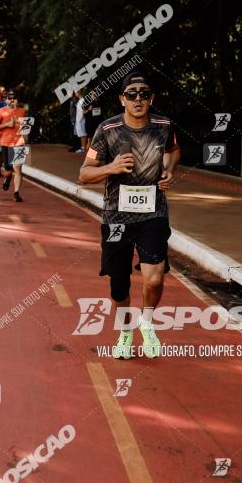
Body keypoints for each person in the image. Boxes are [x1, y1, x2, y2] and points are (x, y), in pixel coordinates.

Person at [79, 72, 180, 359]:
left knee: (155, 278)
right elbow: (84, 174)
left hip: (153, 213)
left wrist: (169, 169)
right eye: (131, 93)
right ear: (122, 99)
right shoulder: (107, 130)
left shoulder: (163, 125)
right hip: (116, 218)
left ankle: (146, 323)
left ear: (152, 98)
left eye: (144, 93)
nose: (138, 98)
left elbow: (173, 150)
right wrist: (109, 168)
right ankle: (126, 330)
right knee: (118, 284)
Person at [0, 90, 27, 202]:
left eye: (14, 98)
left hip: (19, 142)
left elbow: (25, 127)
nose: (12, 100)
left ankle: (16, 193)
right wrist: (8, 124)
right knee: (8, 171)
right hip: (6, 143)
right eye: (10, 98)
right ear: (6, 99)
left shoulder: (23, 111)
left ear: (17, 100)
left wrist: (25, 131)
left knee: (18, 169)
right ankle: (8, 178)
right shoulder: (1, 111)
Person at [74, 88, 88, 153]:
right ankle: (82, 147)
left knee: (83, 134)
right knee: (81, 134)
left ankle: (83, 148)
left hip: (81, 120)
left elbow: (83, 111)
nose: (75, 93)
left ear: (79, 92)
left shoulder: (82, 100)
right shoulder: (80, 100)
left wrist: (81, 119)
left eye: (76, 92)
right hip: (79, 120)